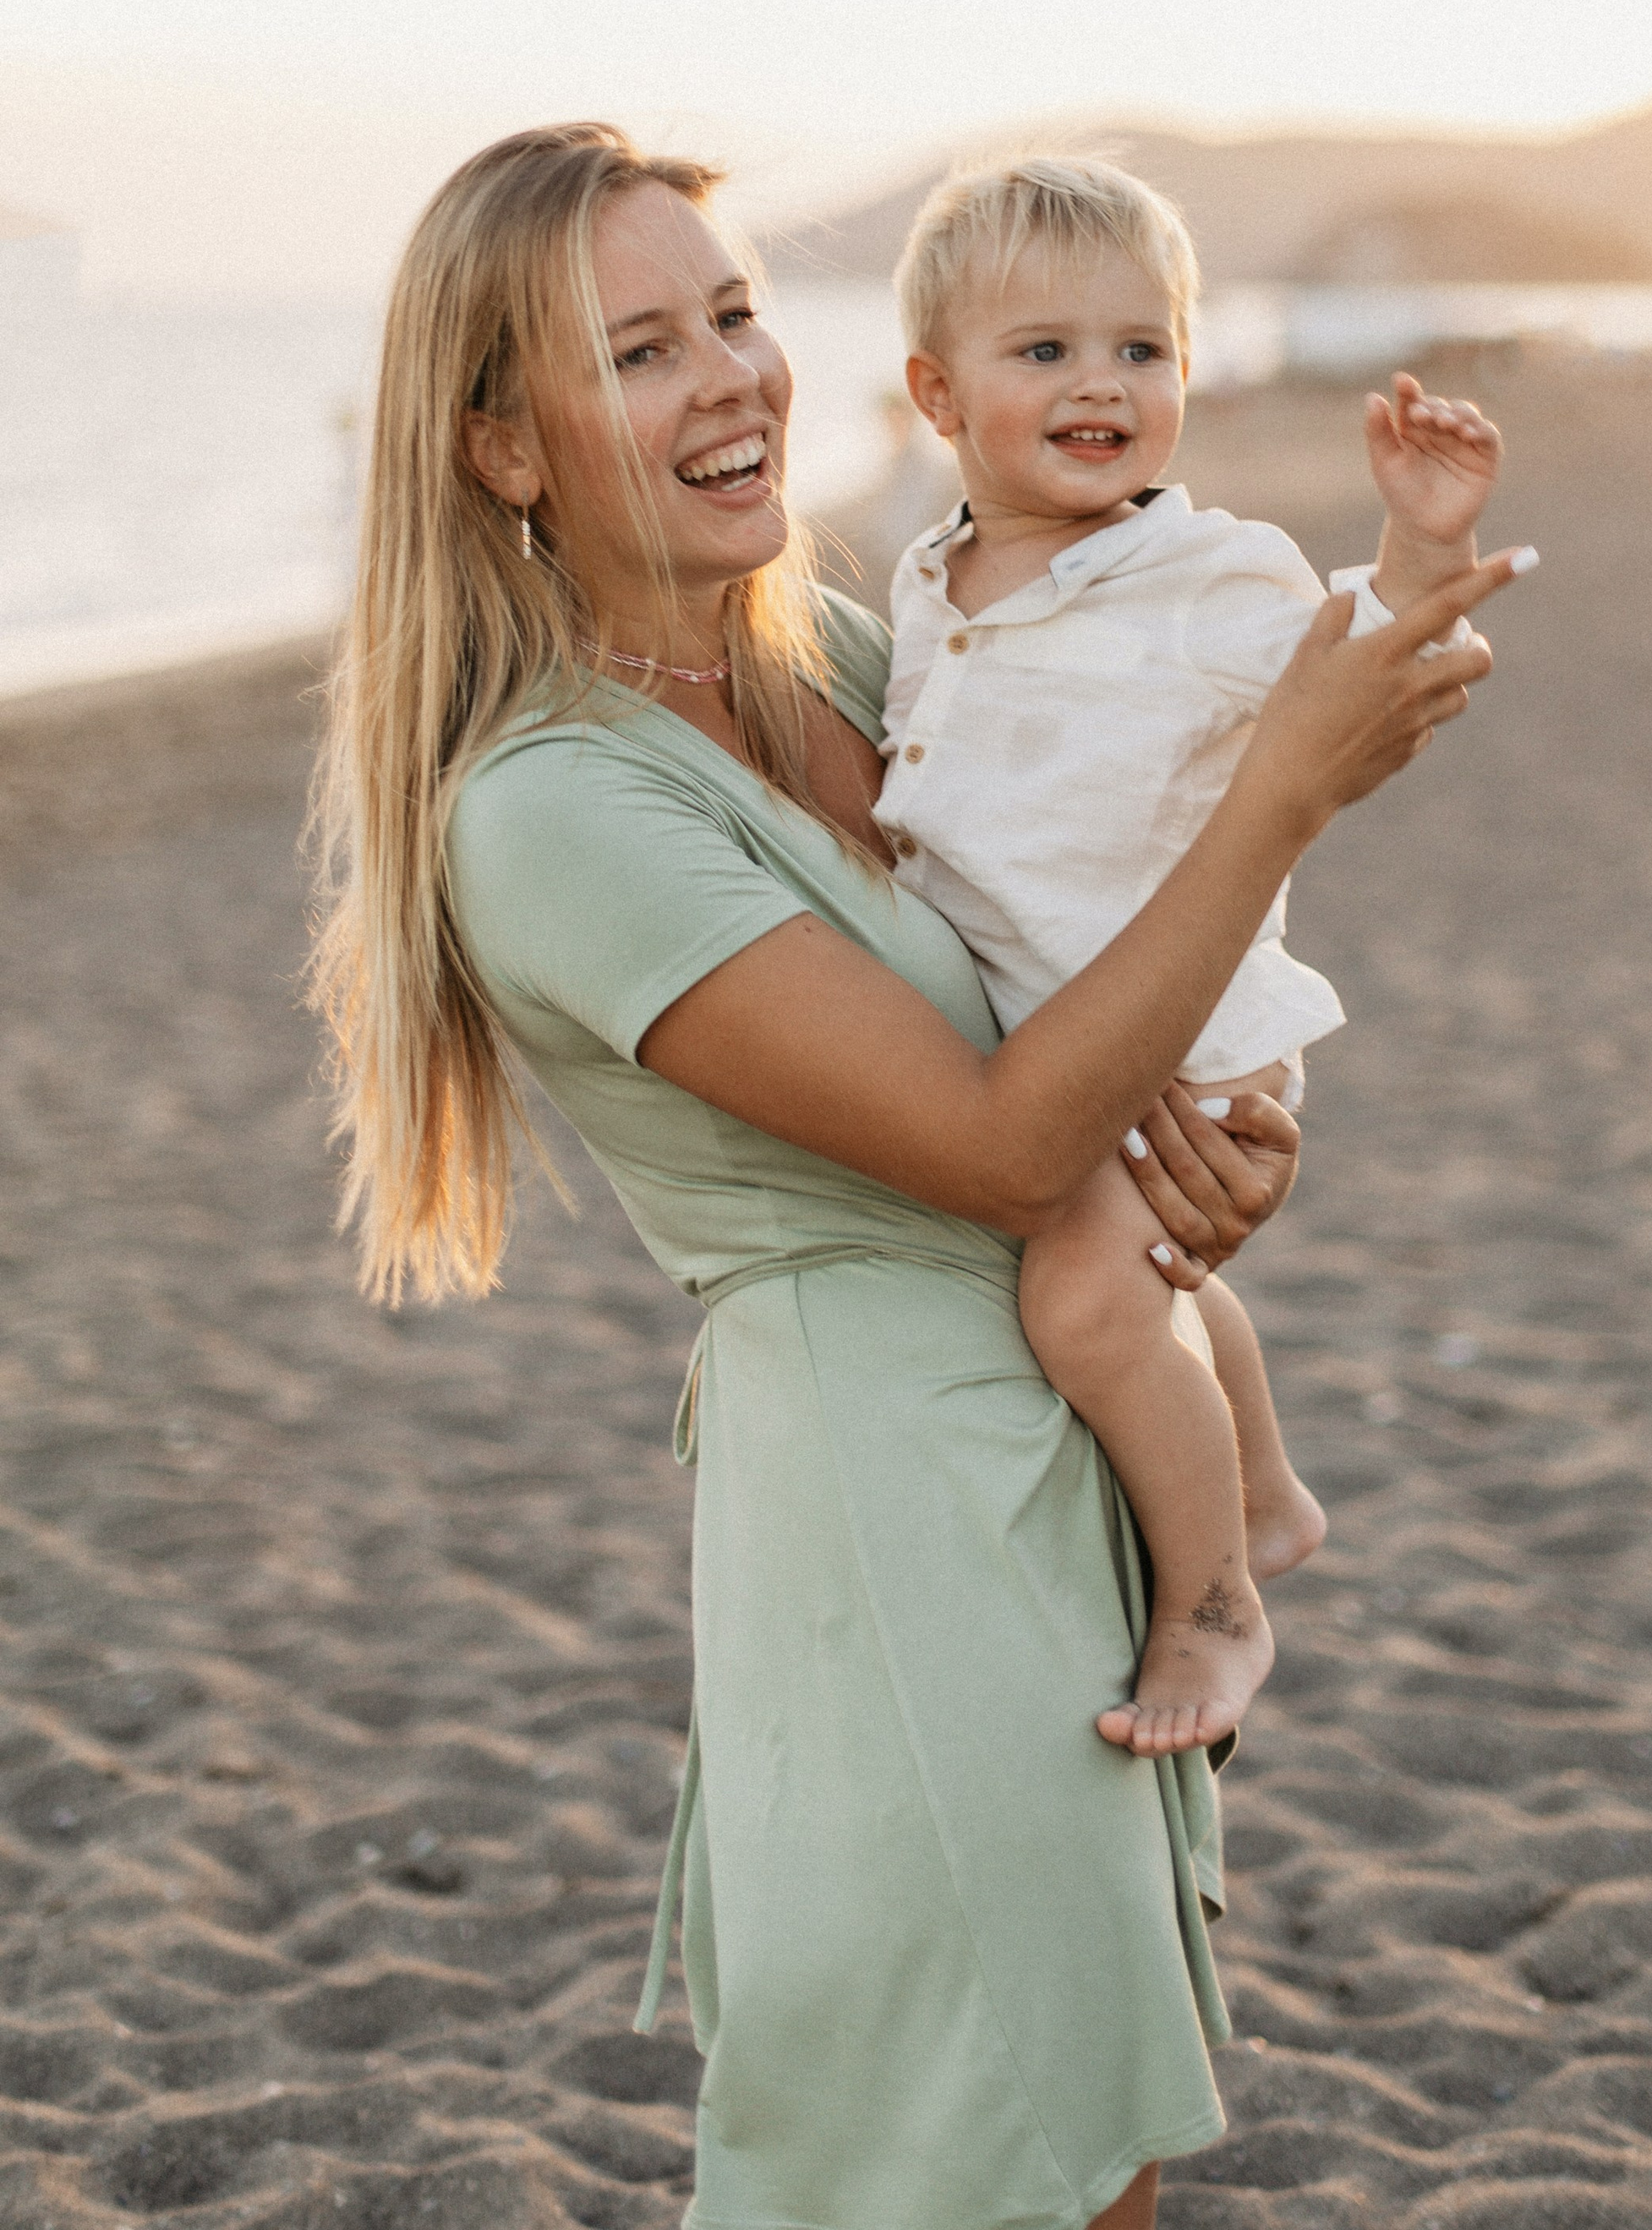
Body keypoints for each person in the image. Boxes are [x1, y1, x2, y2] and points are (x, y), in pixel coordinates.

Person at [310, 122, 1516, 2230]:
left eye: (740, 315)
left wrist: (1208, 1186)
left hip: (1066, 1438)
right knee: (962, 2151)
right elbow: (992, 1135)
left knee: (1092, 2140)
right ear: (504, 451)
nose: (731, 382)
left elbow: (1087, 995)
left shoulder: (861, 664)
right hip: (899, 1519)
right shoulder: (551, 810)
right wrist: (1289, 799)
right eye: (638, 353)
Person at [878, 156, 1529, 1764]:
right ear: (934, 394)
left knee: (1088, 1304)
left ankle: (1219, 1596)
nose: (1101, 381)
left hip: (1191, 1042)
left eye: (1141, 348)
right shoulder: (923, 583)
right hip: (1060, 1035)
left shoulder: (1203, 576)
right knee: (1146, 1280)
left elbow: (1369, 658)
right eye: (1043, 352)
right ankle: (1262, 1484)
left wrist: (1423, 539)